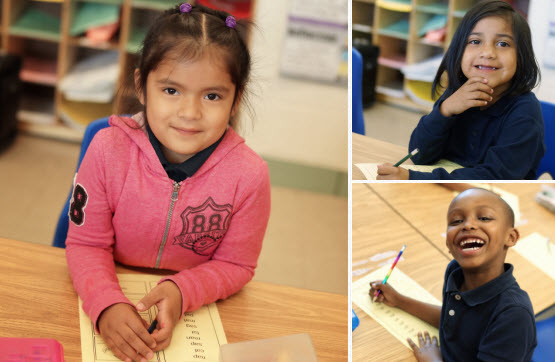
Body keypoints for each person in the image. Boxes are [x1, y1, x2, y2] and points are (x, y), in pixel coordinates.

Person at [65, 4, 271, 362]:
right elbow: (85, 244)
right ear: (141, 87)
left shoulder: (250, 176)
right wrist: (105, 303)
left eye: (212, 96)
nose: (190, 113)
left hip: (193, 310)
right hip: (112, 283)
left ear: (236, 100)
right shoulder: (107, 150)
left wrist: (182, 290)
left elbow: (237, 266)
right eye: (171, 90)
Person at [377, 0, 544, 180]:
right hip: (448, 193)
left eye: (503, 44)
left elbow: (495, 177)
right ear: (459, 50)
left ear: (521, 55)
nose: (487, 53)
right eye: (475, 41)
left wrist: (413, 178)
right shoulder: (458, 93)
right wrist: (445, 110)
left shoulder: (525, 112)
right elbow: (419, 155)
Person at [370, 188, 537, 361]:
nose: (468, 225)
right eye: (456, 220)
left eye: (484, 217)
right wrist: (399, 300)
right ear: (448, 244)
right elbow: (455, 323)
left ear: (511, 237)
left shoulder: (513, 316)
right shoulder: (455, 272)